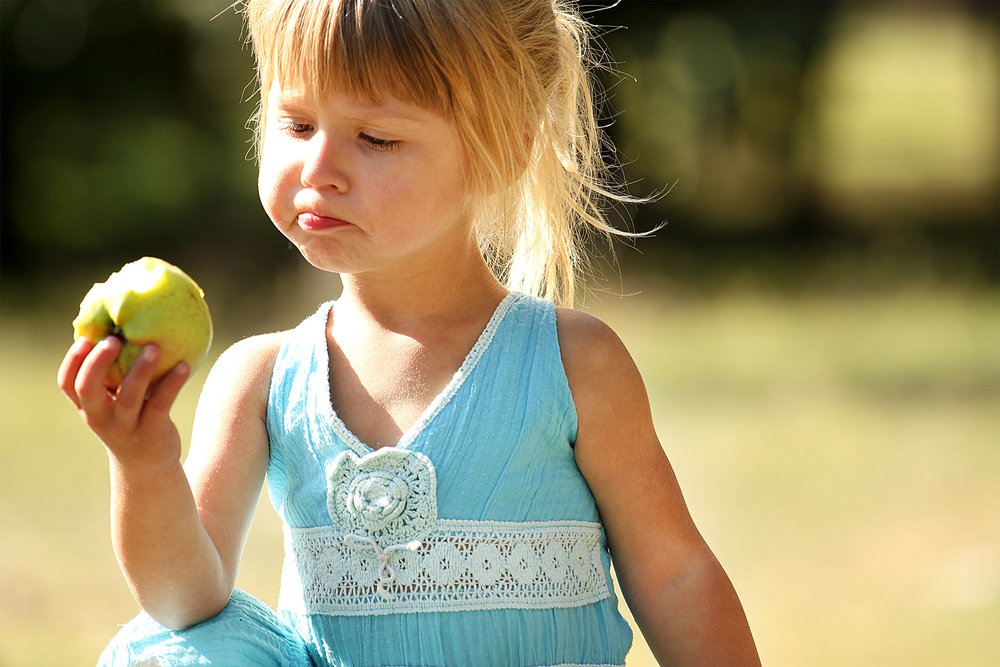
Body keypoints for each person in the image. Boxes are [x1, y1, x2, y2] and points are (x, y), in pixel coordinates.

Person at [57, 0, 761, 665]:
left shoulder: (570, 362)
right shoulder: (264, 379)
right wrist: (144, 461)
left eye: (376, 138)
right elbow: (185, 601)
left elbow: (676, 576)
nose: (319, 169)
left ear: (501, 150)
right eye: (297, 124)